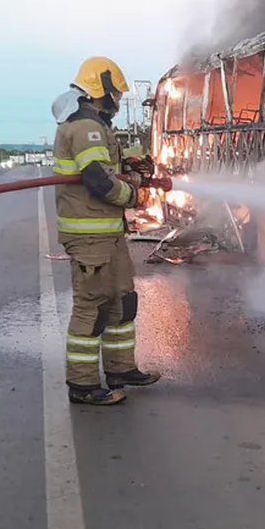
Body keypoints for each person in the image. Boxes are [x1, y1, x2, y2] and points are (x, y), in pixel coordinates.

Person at [51, 56, 161, 406]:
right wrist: (136, 195)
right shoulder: (86, 127)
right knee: (92, 308)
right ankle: (82, 385)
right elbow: (98, 180)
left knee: (122, 301)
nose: (117, 100)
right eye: (115, 92)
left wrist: (130, 162)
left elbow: (106, 163)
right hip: (89, 238)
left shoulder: (94, 125)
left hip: (108, 235)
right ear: (101, 89)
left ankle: (120, 369)